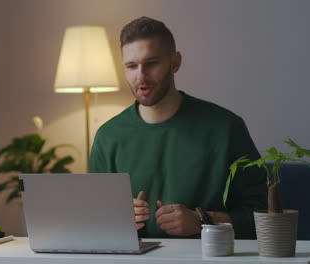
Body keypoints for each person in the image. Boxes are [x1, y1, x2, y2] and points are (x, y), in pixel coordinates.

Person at [89, 16, 267, 239]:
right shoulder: (108, 137)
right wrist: (117, 219)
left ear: (175, 62)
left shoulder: (226, 128)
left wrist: (204, 221)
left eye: (151, 63)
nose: (141, 76)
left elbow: (265, 215)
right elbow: (95, 223)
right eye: (132, 66)